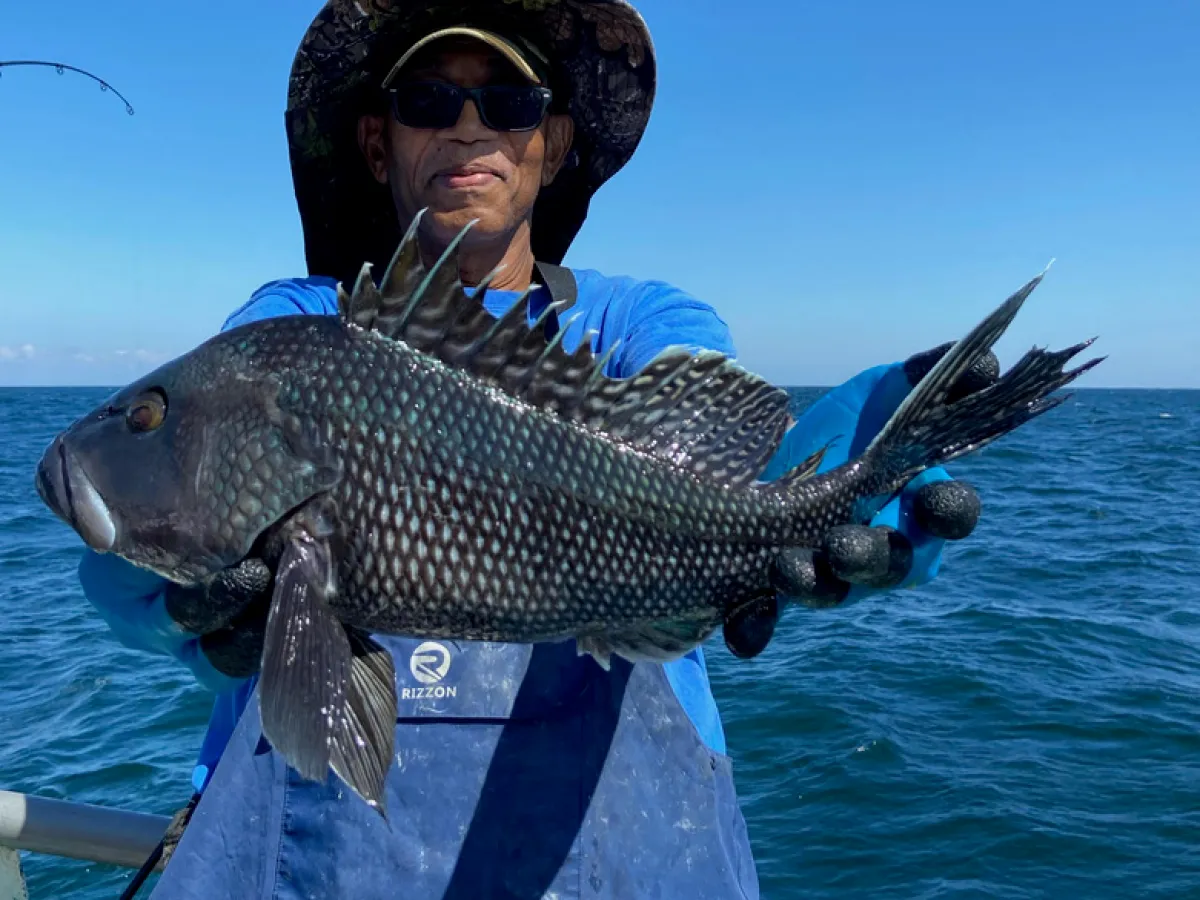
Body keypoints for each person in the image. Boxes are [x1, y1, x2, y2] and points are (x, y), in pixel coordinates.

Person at [80, 2, 994, 897]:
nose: (468, 129)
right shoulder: (300, 327)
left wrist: (868, 467)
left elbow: (742, 461)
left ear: (552, 144)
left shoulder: (638, 321)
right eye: (429, 101)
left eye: (510, 102)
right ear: (377, 141)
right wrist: (181, 614)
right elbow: (121, 568)